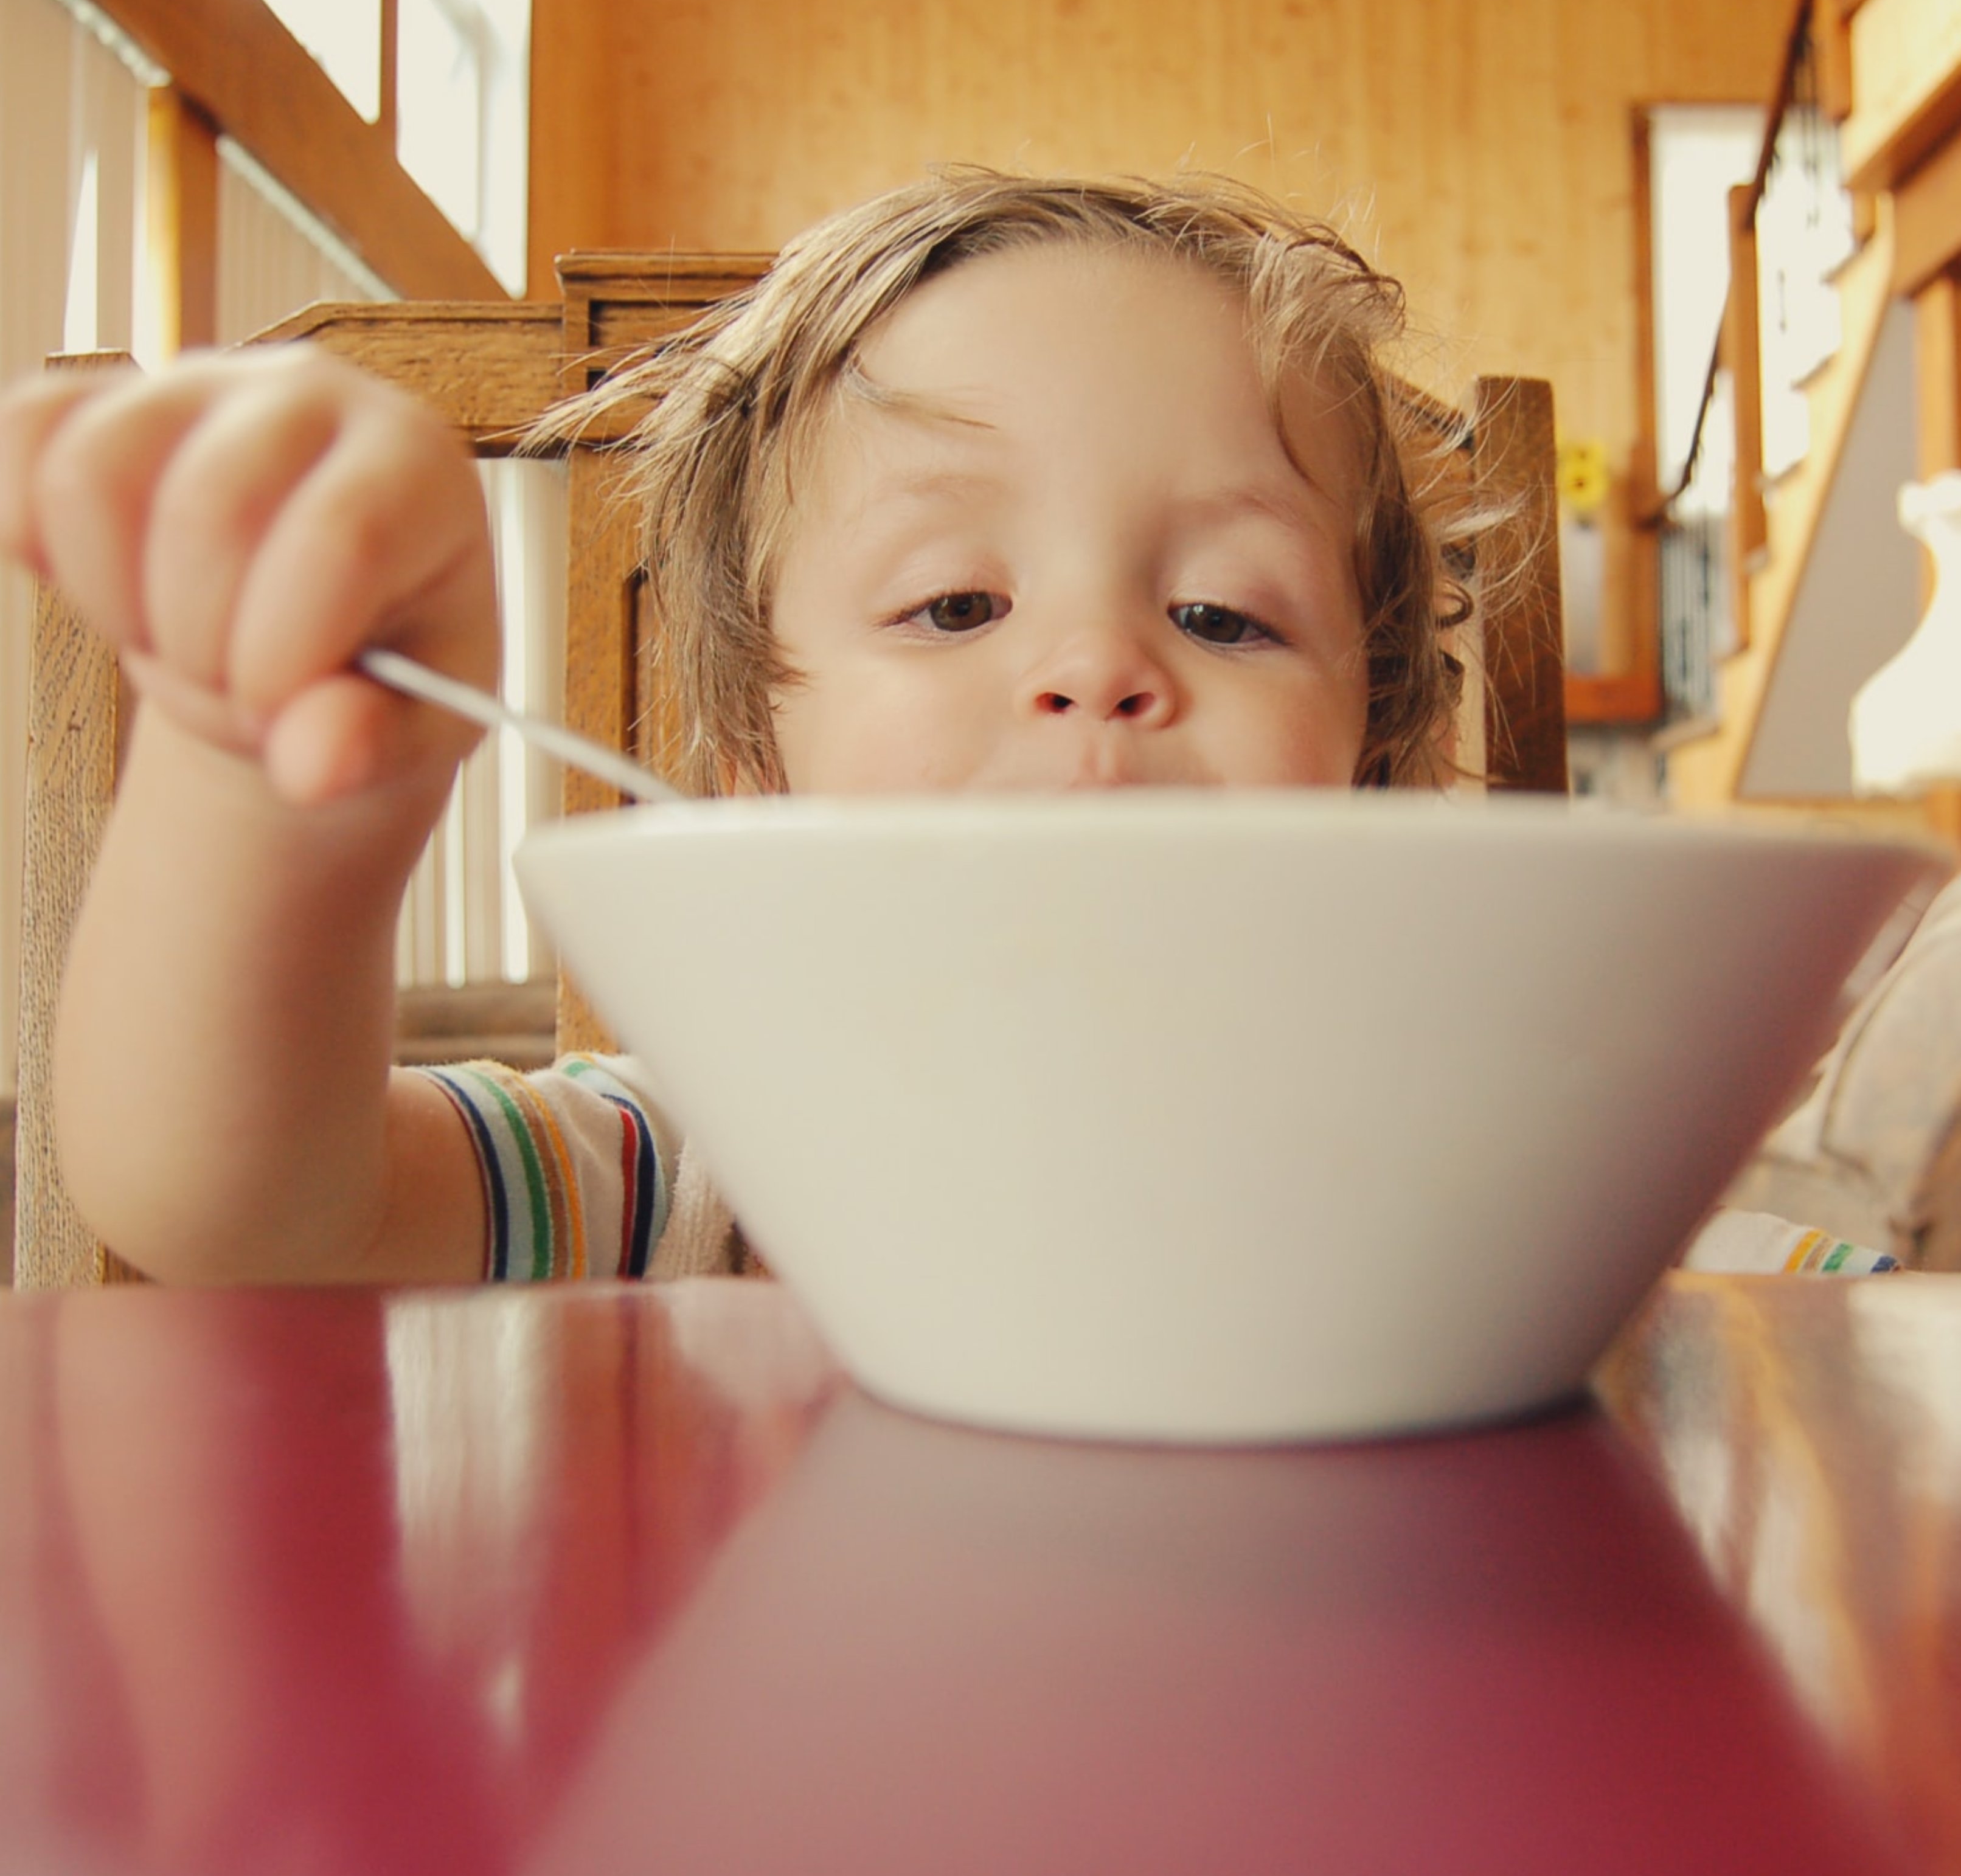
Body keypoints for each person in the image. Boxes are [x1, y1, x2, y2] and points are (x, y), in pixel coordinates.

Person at [0, 167, 1482, 1288]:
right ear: (758, 774)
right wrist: (265, 775)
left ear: (1371, 755)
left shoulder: (1465, 1158)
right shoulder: (686, 1159)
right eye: (957, 605)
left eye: (1226, 616)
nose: (1098, 665)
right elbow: (232, 1205)